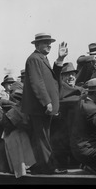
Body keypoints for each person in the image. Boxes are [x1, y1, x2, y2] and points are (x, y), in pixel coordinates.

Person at [21, 32, 68, 175]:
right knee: (43, 138)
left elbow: (52, 78)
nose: (49, 45)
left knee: (42, 137)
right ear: (36, 45)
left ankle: (42, 166)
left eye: (50, 43)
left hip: (43, 107)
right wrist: (46, 102)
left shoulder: (41, 58)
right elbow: (37, 83)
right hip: (40, 108)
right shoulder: (34, 59)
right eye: (45, 42)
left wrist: (60, 59)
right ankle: (49, 167)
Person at [51, 62, 84, 169]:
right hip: (63, 132)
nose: (71, 77)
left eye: (73, 74)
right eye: (67, 74)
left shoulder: (81, 89)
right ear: (61, 77)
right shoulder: (60, 89)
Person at [2, 89, 36, 178]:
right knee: (18, 138)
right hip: (12, 134)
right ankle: (20, 169)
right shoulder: (13, 111)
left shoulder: (26, 110)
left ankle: (28, 165)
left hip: (22, 132)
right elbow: (8, 127)